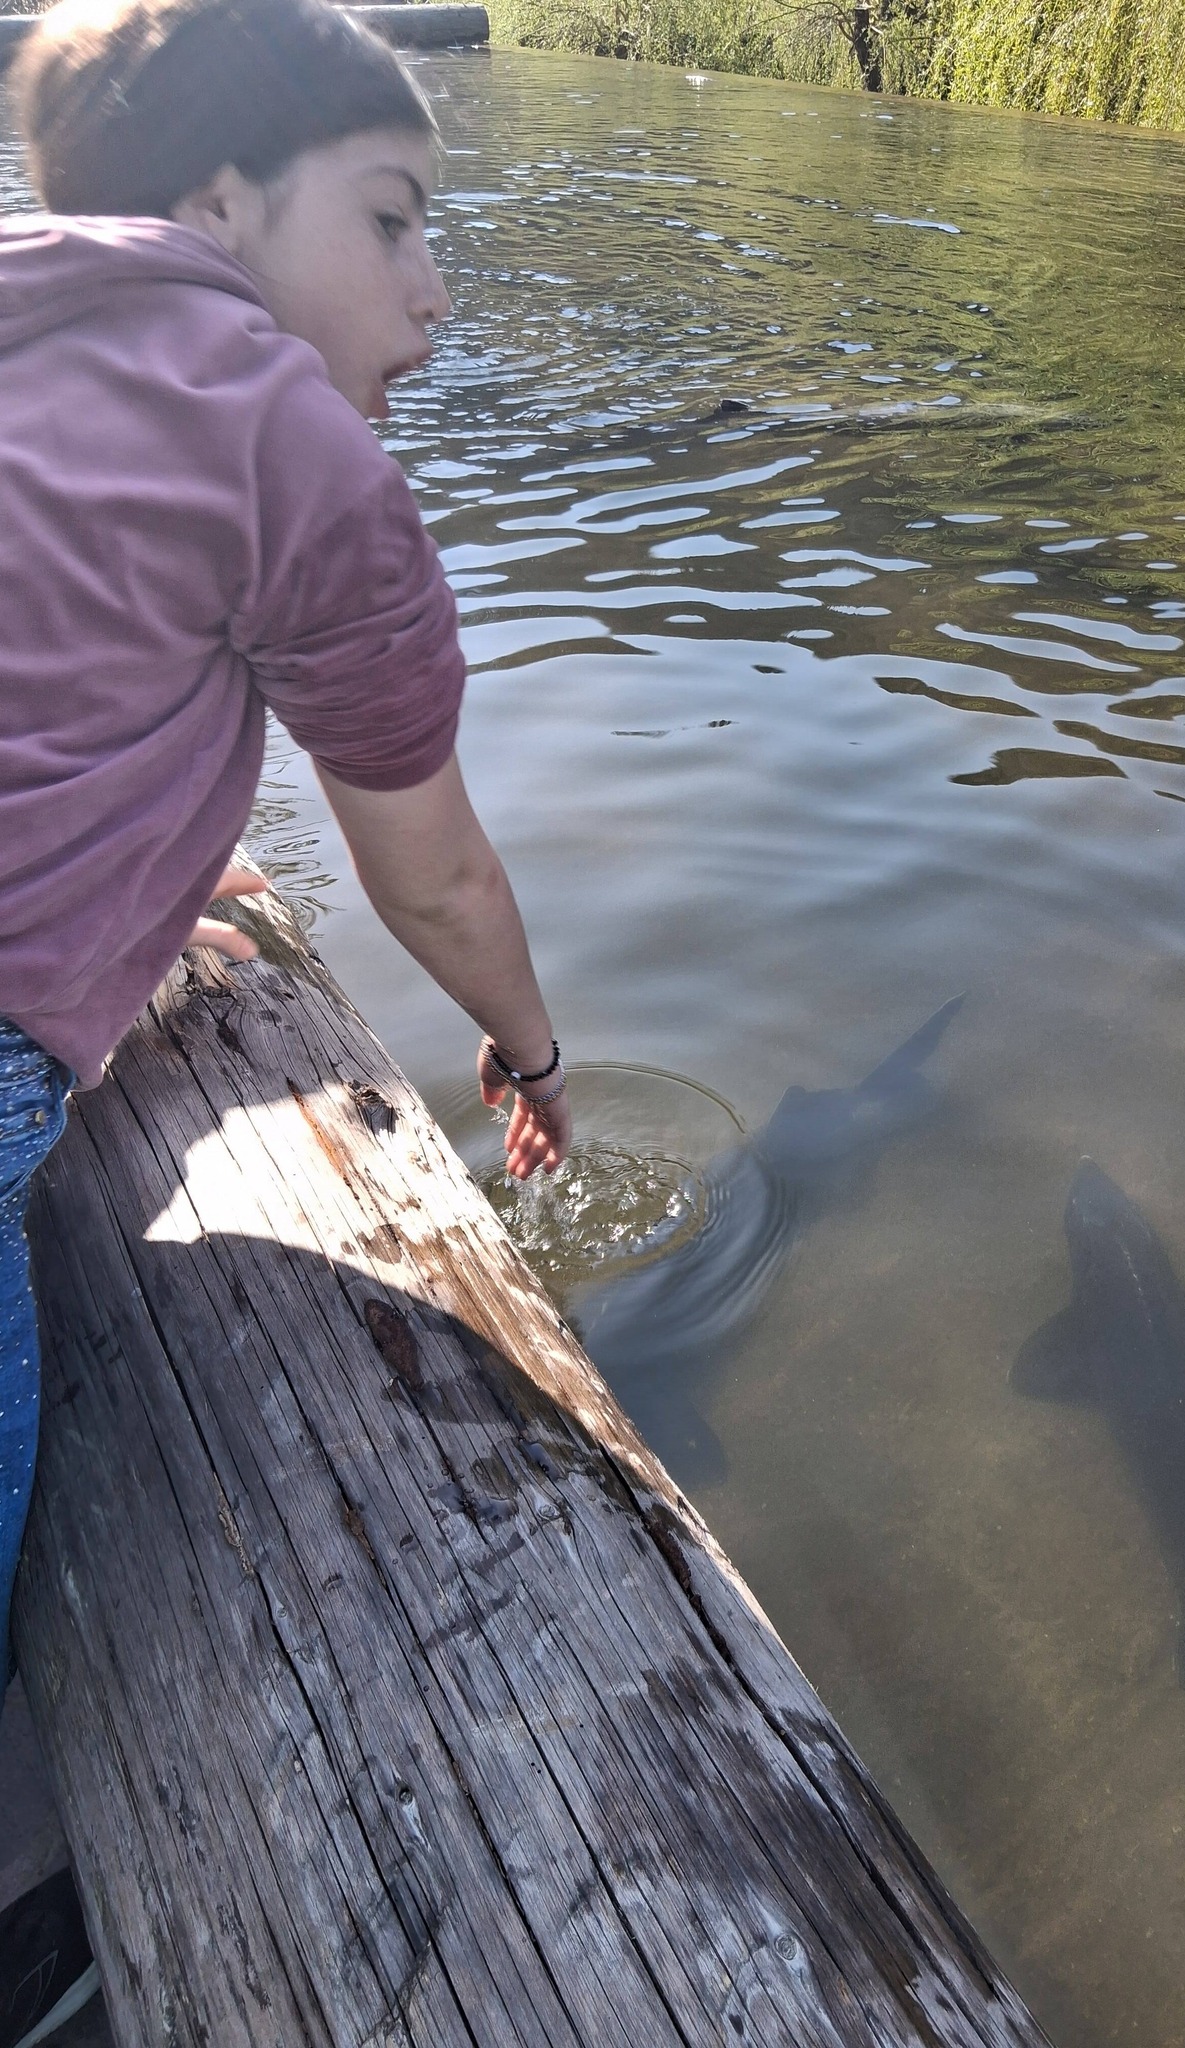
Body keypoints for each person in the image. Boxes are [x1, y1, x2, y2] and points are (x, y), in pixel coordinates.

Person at [0, 0, 572, 2036]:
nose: (436, 290)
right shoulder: (296, 452)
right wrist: (531, 1052)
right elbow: (436, 876)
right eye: (395, 219)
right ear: (224, 205)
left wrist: (146, 881)